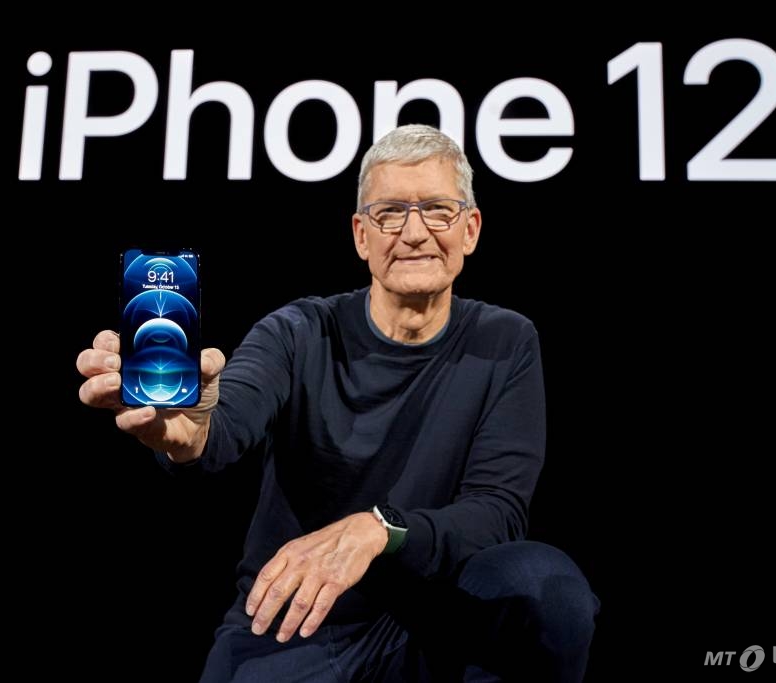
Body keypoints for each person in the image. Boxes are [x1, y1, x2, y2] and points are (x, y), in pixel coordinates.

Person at [77, 124, 598, 682]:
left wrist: (378, 529)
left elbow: (497, 512)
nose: (416, 233)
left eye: (439, 211)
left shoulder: (506, 340)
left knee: (546, 585)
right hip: (298, 621)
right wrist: (190, 430)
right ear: (361, 236)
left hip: (435, 623)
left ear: (470, 229)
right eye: (390, 213)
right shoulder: (300, 330)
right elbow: (226, 423)